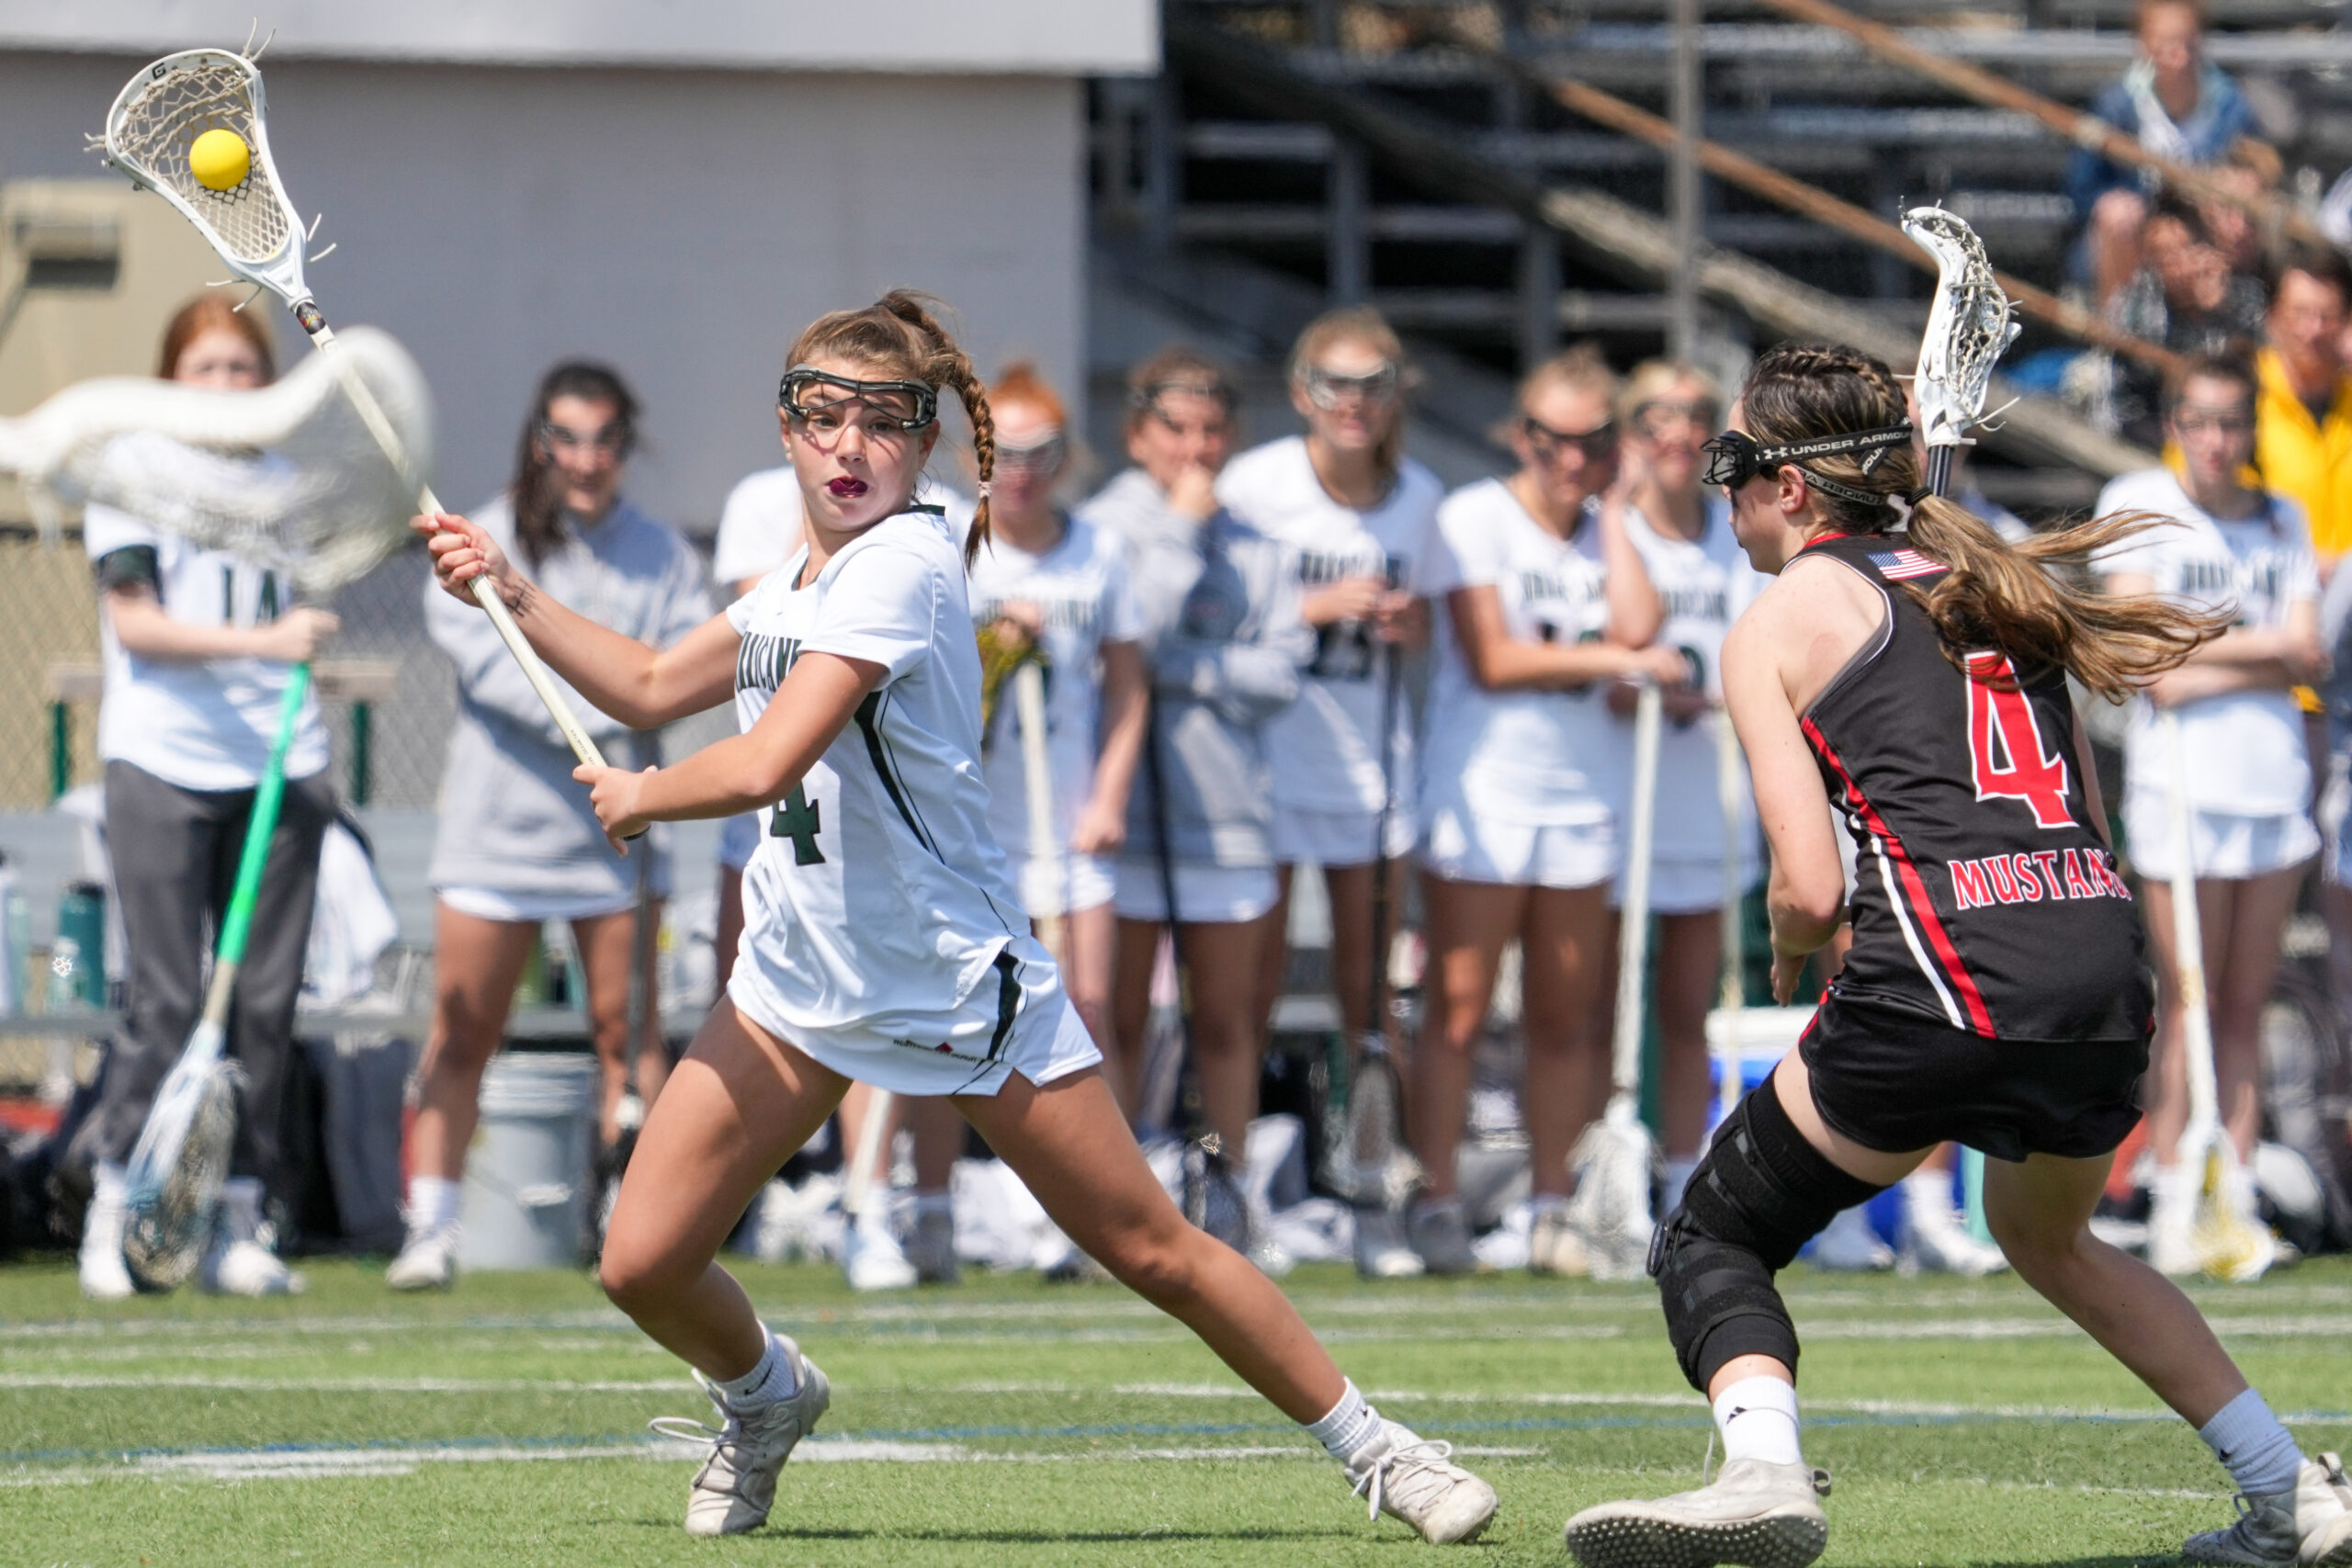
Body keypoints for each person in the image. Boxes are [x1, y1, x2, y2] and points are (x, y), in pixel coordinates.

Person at [414, 294, 1494, 1545]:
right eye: (824, 418)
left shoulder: (909, 563)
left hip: (950, 980)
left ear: (926, 442)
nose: (850, 446)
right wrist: (508, 583)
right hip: (797, 981)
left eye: (883, 421)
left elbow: (763, 760)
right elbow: (652, 681)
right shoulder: (797, 572)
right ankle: (765, 1394)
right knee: (641, 1262)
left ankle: (1384, 1449)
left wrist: (647, 792)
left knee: (1151, 1246)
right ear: (787, 429)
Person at [1561, 342, 2352, 1568]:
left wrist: (1787, 952)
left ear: (1793, 486)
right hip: (2098, 961)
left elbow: (1813, 891)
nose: (1721, 497)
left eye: (1733, 466)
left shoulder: (1780, 618)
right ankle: (2288, 1489)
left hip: (1946, 977)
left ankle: (1762, 1466)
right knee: (2051, 1237)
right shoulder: (1997, 581)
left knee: (1714, 1231)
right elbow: (2089, 819)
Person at [388, 362, 714, 1292]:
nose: (584, 460)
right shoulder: (483, 537)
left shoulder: (660, 554)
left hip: (611, 833)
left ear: (624, 446)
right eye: (566, 439)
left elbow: (675, 666)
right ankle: (431, 1226)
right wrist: (612, 697)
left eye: (603, 440)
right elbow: (492, 671)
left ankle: (634, 1222)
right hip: (497, 831)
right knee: (462, 1030)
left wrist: (625, 699)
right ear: (541, 442)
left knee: (629, 1032)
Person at [75, 293, 340, 1301]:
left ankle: (241, 1216)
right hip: (162, 760)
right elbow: (137, 623)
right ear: (172, 379)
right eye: (206, 370)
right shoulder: (133, 476)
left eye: (243, 369)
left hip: (280, 760)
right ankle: (115, 1208)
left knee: (264, 1008)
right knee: (168, 998)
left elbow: (313, 596)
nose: (227, 388)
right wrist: (262, 646)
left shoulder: (290, 489)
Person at [1408, 344, 1687, 1277]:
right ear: (1522, 437)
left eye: (1594, 441)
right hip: (1483, 795)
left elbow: (1643, 626)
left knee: (1566, 1019)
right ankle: (1438, 1196)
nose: (1573, 459)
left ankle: (1549, 1208)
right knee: (1458, 1010)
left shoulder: (1615, 526)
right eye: (1554, 441)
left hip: (1580, 801)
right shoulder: (1473, 516)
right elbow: (1494, 657)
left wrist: (1611, 514)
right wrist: (1612, 661)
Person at [2095, 353, 2323, 1277]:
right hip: (2179, 788)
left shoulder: (2281, 517)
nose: (2218, 441)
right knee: (2184, 999)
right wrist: (2249, 651)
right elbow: (2142, 655)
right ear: (2175, 423)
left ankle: (2233, 1183)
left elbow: (2306, 651)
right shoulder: (2138, 496)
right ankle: (2162, 1181)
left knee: (2240, 1000)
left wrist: (2205, 647)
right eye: (2202, 421)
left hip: (2266, 782)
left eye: (2234, 424)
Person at [1081, 348, 1313, 1257]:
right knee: (1120, 1018)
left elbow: (1279, 672)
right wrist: (1177, 534)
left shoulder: (1257, 540)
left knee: (1224, 1020)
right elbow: (1128, 627)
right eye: (1174, 428)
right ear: (1138, 434)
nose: (1195, 448)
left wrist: (1172, 670)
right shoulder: (1105, 527)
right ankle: (1117, 1195)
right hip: (1127, 813)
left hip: (1226, 816)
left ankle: (1229, 1184)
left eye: (1212, 429)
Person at [1215, 309, 1440, 1140]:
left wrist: (1410, 624)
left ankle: (1378, 1172)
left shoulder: (1419, 497)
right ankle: (1233, 1173)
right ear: (1302, 393)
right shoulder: (1256, 485)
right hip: (1268, 763)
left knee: (1370, 991)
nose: (1355, 403)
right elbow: (1215, 615)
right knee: (1249, 985)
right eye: (1335, 384)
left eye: (1373, 385)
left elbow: (1436, 628)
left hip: (1371, 768)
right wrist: (1311, 605)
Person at [1609, 361, 1766, 1217]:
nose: (1677, 433)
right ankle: (1591, 1176)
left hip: (1706, 791)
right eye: (1657, 415)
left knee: (1687, 1009)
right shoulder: (1611, 531)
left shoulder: (1732, 531)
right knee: (1599, 1005)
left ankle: (1679, 1177)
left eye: (1694, 416)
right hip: (1619, 793)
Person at [2068, 0, 2257, 310]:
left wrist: (2234, 189)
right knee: (2117, 216)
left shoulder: (2230, 106)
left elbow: (2257, 168)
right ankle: (2119, 331)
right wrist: (2134, 205)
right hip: (2142, 228)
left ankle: (2227, 325)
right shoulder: (2116, 105)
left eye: (2186, 41)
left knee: (2238, 214)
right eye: (2166, 41)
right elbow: (2083, 187)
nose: (2178, 54)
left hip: (2205, 224)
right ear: (2143, 44)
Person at [2104, 193, 2267, 449]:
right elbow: (2139, 369)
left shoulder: (2245, 298)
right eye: (2164, 254)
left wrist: (2220, 313)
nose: (2177, 264)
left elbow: (2256, 367)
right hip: (2150, 423)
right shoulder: (2139, 298)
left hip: (2231, 427)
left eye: (2185, 248)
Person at [2255, 243, 2352, 568]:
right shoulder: (2241, 402)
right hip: (2270, 597)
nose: (2313, 330)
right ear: (2273, 317)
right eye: (2300, 313)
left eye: (2327, 317)